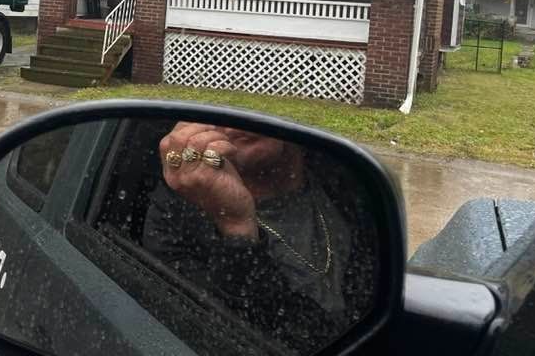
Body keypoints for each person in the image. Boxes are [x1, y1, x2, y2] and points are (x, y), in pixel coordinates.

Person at [143, 122, 378, 354]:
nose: (235, 119)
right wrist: (237, 228)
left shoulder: (345, 176)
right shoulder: (175, 215)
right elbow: (216, 332)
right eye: (219, 105)